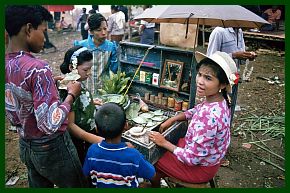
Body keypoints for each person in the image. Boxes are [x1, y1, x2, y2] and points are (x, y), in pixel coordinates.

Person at [5, 5, 88, 187]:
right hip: (51, 148)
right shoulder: (38, 68)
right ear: (28, 29)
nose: (45, 37)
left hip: (26, 144)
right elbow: (49, 123)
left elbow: (13, 111)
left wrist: (50, 83)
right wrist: (71, 96)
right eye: (43, 30)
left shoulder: (7, 64)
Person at [149, 51, 238, 187]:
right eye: (200, 75)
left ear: (222, 84)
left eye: (208, 78)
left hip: (199, 169)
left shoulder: (209, 117)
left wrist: (164, 143)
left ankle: (155, 183)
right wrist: (175, 118)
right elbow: (197, 109)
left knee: (152, 158)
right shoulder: (220, 101)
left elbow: (192, 158)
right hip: (209, 160)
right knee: (167, 147)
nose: (200, 81)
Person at [83, 103, 156, 188]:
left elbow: (85, 174)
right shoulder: (133, 155)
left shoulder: (92, 151)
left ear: (97, 129)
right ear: (126, 126)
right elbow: (153, 176)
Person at [58, 46, 104, 164]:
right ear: (71, 67)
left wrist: (91, 102)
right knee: (83, 163)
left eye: (90, 69)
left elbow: (79, 102)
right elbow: (70, 126)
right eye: (85, 70)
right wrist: (95, 139)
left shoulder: (78, 82)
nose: (89, 73)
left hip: (89, 133)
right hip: (80, 139)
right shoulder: (68, 90)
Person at [207, 27, 257, 117]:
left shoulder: (239, 31)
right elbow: (211, 58)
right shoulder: (218, 32)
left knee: (230, 106)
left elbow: (240, 57)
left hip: (234, 76)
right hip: (220, 77)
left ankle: (227, 128)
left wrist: (247, 56)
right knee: (217, 109)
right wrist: (233, 55)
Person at [74, 13, 118, 97]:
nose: (104, 33)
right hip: (83, 91)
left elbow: (113, 71)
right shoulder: (80, 46)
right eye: (99, 30)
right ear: (91, 31)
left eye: (105, 29)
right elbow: (74, 70)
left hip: (104, 92)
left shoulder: (111, 47)